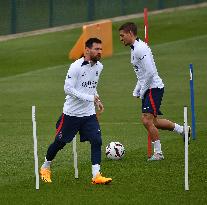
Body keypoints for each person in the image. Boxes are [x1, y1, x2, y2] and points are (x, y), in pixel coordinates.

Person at [40, 38, 112, 184]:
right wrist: (88, 97)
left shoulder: (100, 67)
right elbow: (68, 89)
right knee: (59, 143)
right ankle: (45, 166)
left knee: (97, 140)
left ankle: (96, 176)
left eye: (101, 49)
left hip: (89, 114)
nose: (100, 52)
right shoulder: (76, 67)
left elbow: (91, 86)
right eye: (96, 49)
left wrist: (96, 99)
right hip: (71, 114)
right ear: (87, 50)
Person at [118, 22, 190, 161]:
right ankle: (183, 130)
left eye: (122, 35)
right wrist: (137, 89)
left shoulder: (140, 49)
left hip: (153, 88)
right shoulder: (134, 49)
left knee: (146, 120)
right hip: (149, 87)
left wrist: (143, 90)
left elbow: (150, 72)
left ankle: (158, 153)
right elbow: (142, 73)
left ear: (130, 33)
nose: (121, 39)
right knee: (153, 122)